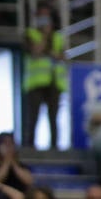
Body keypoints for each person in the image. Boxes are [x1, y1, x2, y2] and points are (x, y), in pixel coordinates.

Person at [21, 9, 66, 151]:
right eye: (41, 17)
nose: (44, 20)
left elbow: (63, 56)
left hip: (54, 82)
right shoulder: (30, 34)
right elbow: (34, 52)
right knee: (33, 116)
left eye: (46, 17)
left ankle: (54, 145)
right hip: (36, 83)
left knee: (53, 116)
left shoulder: (58, 37)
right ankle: (30, 145)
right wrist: (45, 37)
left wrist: (55, 54)